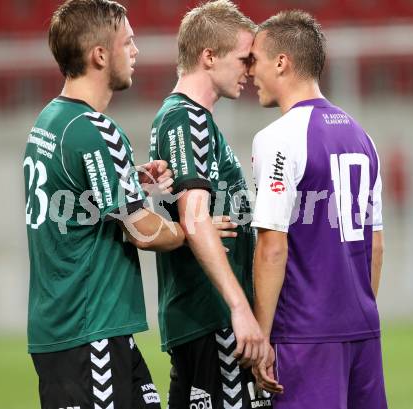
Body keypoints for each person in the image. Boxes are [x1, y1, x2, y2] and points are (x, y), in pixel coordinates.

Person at [23, 1, 186, 408]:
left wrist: (132, 178)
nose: (135, 52)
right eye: (127, 42)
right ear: (100, 55)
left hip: (73, 330)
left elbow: (85, 202)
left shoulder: (49, 121)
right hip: (90, 332)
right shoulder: (95, 130)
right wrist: (190, 229)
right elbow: (141, 230)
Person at [248, 10, 388, 409]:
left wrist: (261, 338)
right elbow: (375, 248)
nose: (251, 72)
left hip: (306, 335)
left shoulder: (277, 137)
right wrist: (357, 315)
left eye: (255, 60)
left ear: (281, 62)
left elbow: (272, 246)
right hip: (363, 330)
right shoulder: (363, 136)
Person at [148, 1, 269, 408]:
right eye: (243, 59)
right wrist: (240, 308)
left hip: (208, 317)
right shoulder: (187, 120)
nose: (250, 70)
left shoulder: (192, 120)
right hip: (212, 317)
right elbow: (195, 220)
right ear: (209, 56)